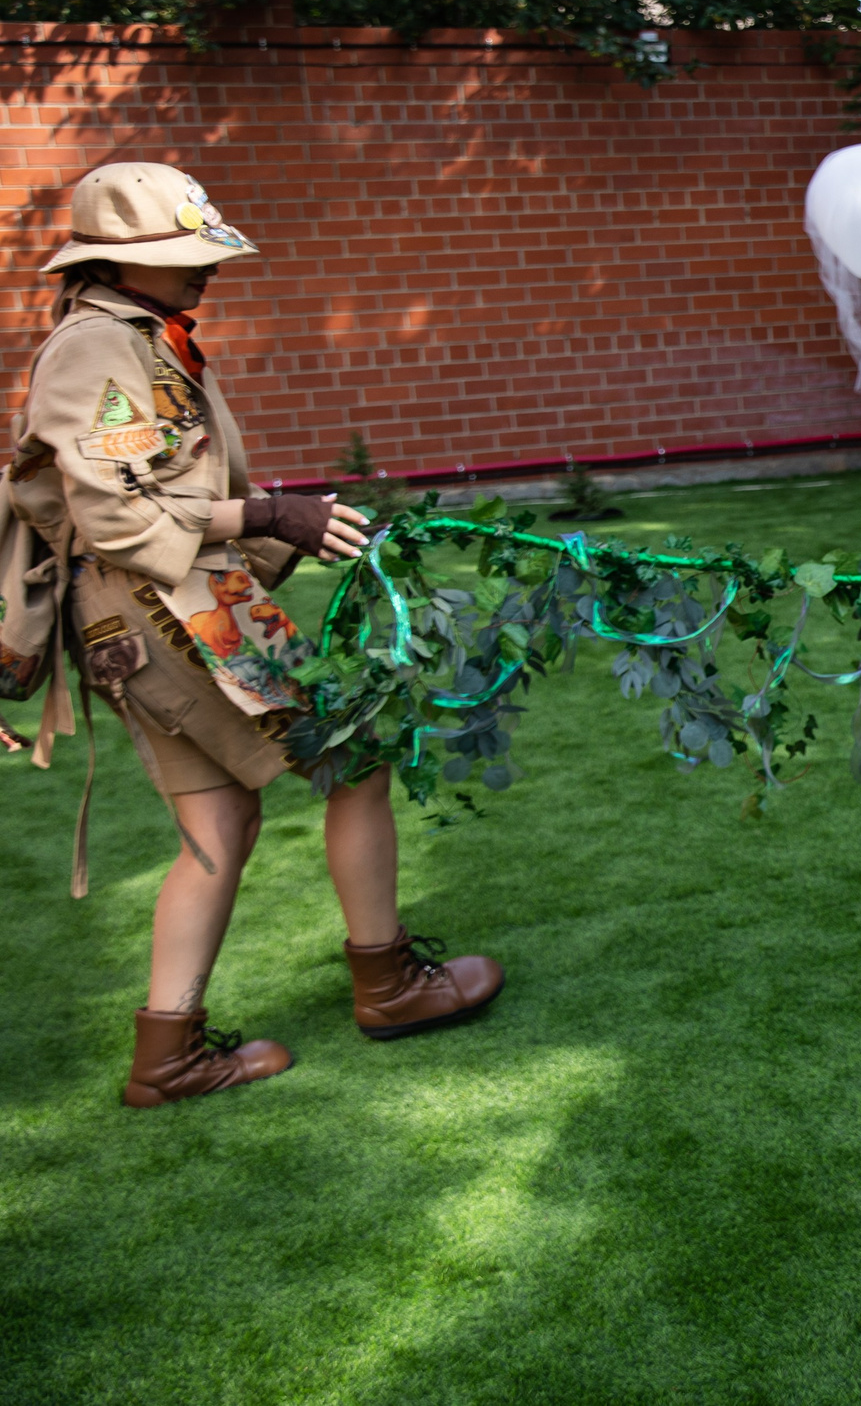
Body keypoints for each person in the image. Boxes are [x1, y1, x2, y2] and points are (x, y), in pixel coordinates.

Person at [7, 161, 503, 1109]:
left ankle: (169, 1056)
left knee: (219, 821)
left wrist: (286, 525)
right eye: (186, 255)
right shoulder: (97, 347)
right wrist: (270, 516)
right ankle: (389, 985)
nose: (210, 270)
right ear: (117, 260)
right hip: (163, 608)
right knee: (352, 759)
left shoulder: (137, 335)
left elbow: (162, 490)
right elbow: (115, 511)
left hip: (152, 608)